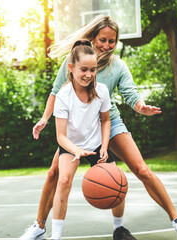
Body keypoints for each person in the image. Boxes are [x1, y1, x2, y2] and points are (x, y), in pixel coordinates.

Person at [21, 15, 177, 240]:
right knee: (55, 174)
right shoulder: (74, 61)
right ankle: (39, 227)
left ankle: (175, 221)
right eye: (103, 40)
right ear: (93, 38)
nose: (107, 45)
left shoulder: (118, 66)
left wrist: (141, 107)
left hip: (109, 121)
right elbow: (56, 93)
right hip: (80, 125)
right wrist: (45, 118)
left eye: (112, 41)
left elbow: (131, 95)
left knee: (141, 170)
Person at [51, 39, 116, 240]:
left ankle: (119, 228)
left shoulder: (102, 91)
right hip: (71, 145)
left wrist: (104, 146)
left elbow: (105, 120)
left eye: (93, 70)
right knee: (63, 180)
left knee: (116, 182)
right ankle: (56, 237)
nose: (88, 75)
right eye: (83, 69)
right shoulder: (63, 96)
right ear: (71, 68)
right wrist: (76, 150)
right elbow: (61, 136)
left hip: (96, 142)